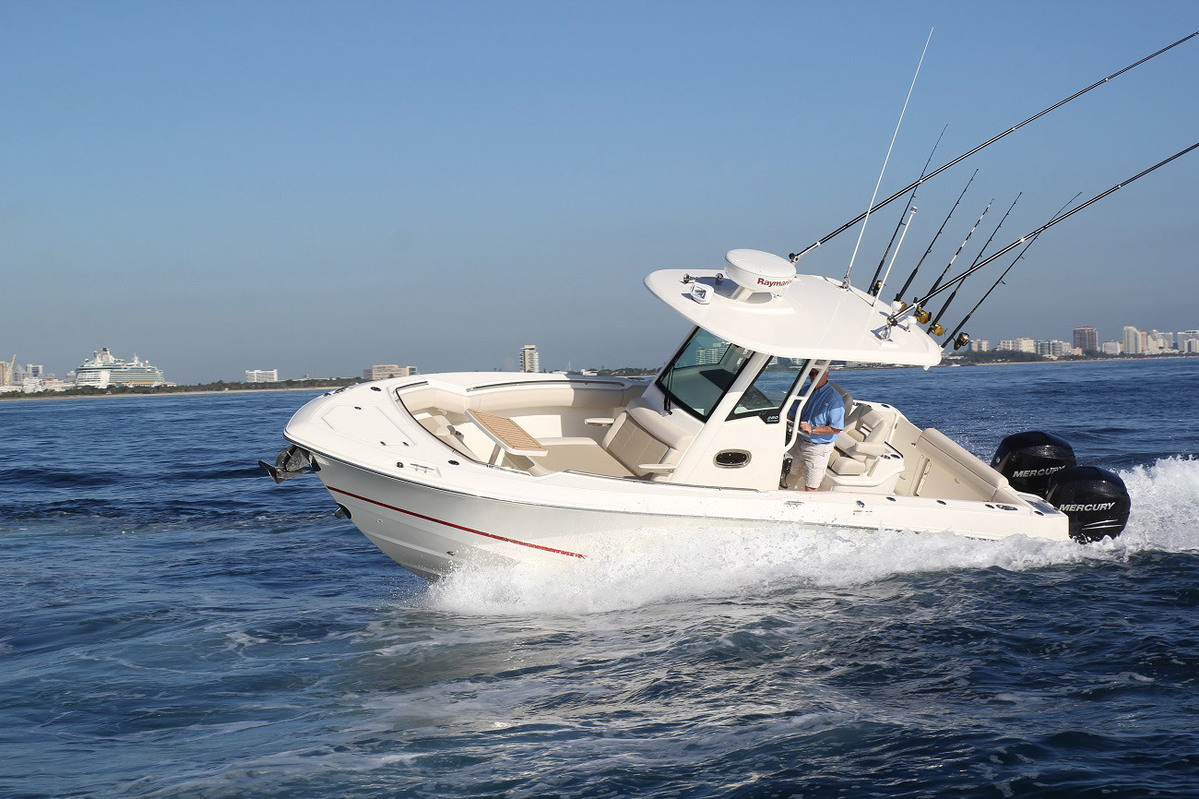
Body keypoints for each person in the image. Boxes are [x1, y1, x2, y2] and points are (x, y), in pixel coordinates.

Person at [786, 368, 845, 491]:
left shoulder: (834, 399)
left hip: (818, 448)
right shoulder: (805, 391)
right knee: (789, 474)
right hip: (799, 440)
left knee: (811, 487)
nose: (814, 376)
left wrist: (812, 429)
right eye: (811, 374)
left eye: (817, 373)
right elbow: (791, 414)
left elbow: (836, 429)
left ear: (826, 375)